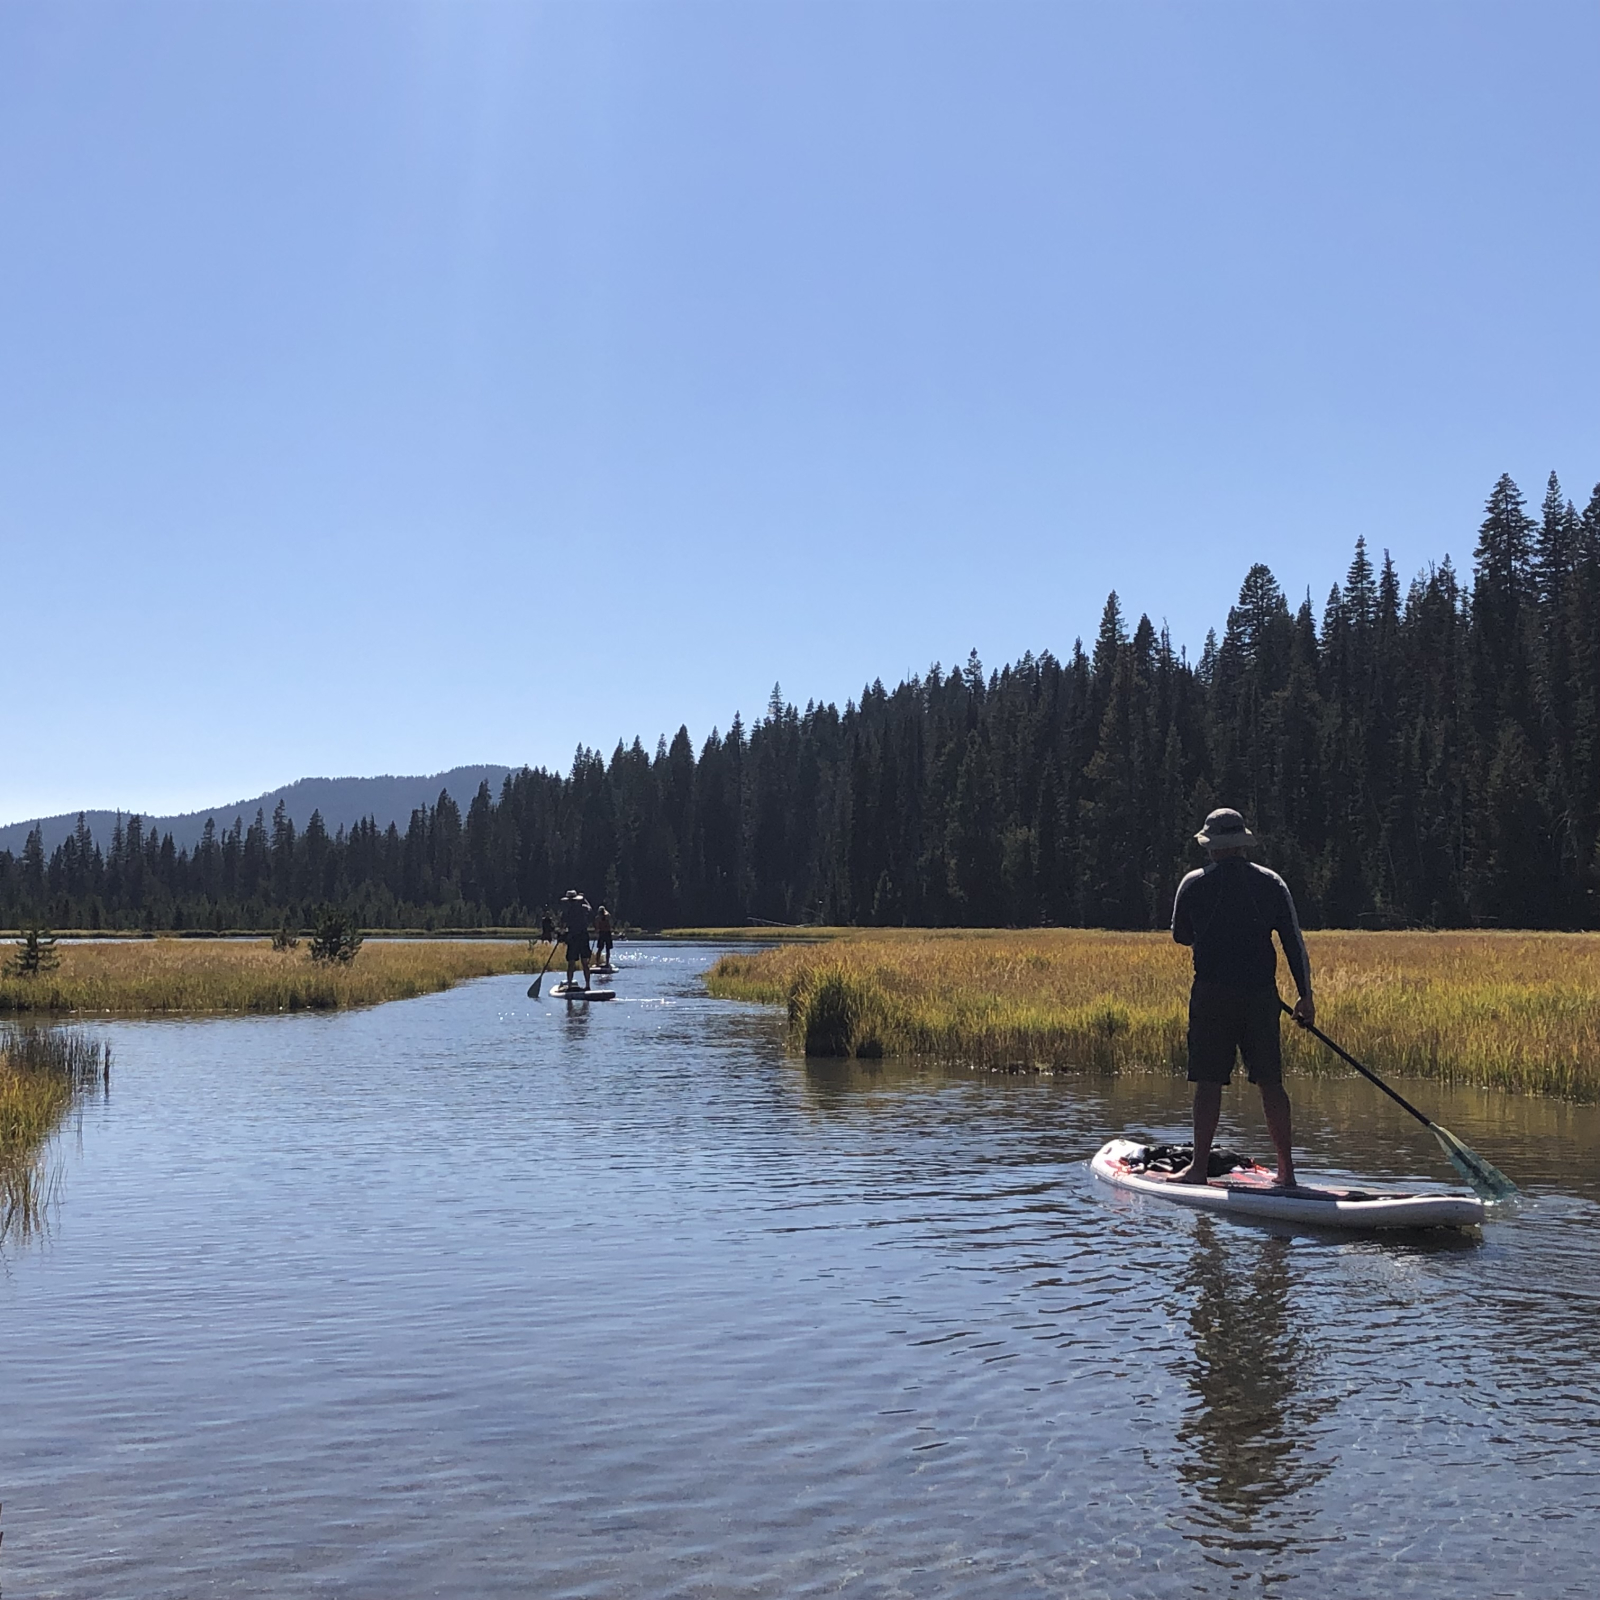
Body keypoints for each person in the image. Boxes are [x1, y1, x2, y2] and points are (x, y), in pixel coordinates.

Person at [1167, 808, 1314, 1189]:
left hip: (1212, 996)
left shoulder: (1193, 884)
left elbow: (1181, 935)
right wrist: (1305, 996)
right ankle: (1286, 1173)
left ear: (1213, 847)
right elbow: (1292, 942)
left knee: (1209, 1082)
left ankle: (1198, 1168)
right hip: (1261, 997)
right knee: (1271, 1082)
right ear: (1242, 843)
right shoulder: (1271, 883)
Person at [559, 888, 593, 991]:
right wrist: (584, 900)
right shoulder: (583, 908)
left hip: (574, 937)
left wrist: (562, 934)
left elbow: (562, 925)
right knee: (584, 962)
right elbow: (590, 909)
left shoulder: (567, 911)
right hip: (582, 936)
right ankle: (587, 985)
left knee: (572, 962)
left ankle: (570, 985)